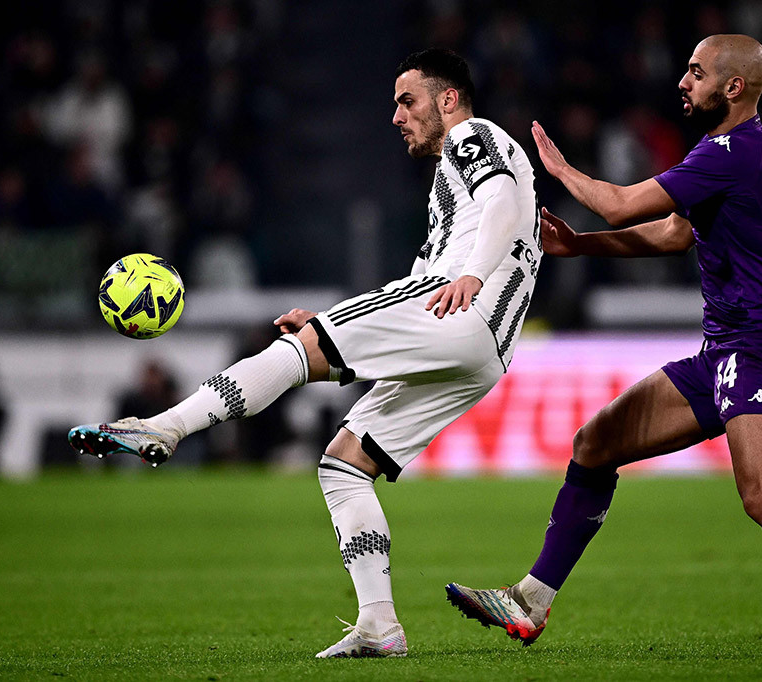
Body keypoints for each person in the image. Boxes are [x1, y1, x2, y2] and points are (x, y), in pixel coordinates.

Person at [446, 34, 762, 656]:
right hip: (726, 346)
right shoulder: (730, 152)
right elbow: (673, 233)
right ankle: (531, 600)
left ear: (732, 87)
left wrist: (560, 172)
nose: (682, 82)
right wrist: (579, 244)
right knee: (595, 445)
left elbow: (621, 204)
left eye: (695, 72)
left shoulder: (732, 149)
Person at [68, 48, 541, 658]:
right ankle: (379, 625)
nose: (396, 116)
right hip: (483, 351)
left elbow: (502, 198)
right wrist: (332, 324)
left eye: (407, 101)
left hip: (459, 309)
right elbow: (413, 289)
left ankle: (163, 427)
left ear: (447, 99)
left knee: (298, 349)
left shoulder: (472, 137)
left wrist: (473, 275)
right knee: (344, 467)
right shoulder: (447, 194)